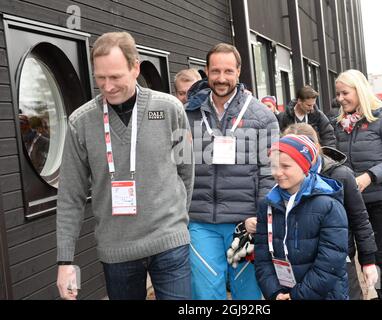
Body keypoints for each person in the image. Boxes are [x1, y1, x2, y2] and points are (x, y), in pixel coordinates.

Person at [56, 31, 194, 300]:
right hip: (117, 251)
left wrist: (176, 222)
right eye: (100, 78)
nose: (107, 86)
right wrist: (65, 261)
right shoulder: (80, 123)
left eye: (115, 77)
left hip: (169, 244)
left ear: (135, 68)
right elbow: (70, 196)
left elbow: (186, 170)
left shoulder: (169, 109)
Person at [184, 43, 279, 300]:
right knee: (205, 293)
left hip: (244, 223)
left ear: (239, 71)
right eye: (215, 71)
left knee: (247, 293)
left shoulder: (261, 116)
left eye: (228, 71)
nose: (221, 78)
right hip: (200, 221)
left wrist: (262, 217)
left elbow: (269, 172)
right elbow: (177, 167)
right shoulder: (188, 115)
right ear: (206, 71)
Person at [332, 69, 382, 300]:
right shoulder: (340, 124)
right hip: (355, 206)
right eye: (338, 94)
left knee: (381, 264)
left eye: (345, 93)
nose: (340, 99)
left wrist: (369, 176)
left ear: (360, 90)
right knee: (356, 261)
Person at [283, 123, 378, 300]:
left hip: (340, 260)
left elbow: (360, 219)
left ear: (316, 147)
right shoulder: (285, 178)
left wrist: (368, 260)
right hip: (300, 261)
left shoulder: (341, 176)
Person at [254, 134, 348, 300]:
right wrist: (274, 293)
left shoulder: (328, 206)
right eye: (274, 166)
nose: (278, 172)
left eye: (285, 166)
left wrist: (298, 296)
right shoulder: (267, 205)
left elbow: (330, 264)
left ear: (304, 165)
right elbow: (262, 258)